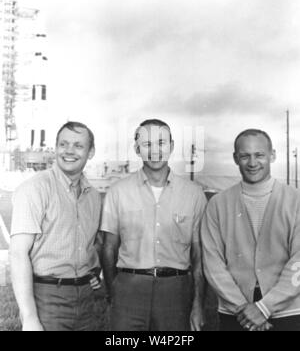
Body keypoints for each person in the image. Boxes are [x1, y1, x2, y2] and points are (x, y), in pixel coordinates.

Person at [101, 119, 207, 331]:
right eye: (147, 144)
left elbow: (199, 255)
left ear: (172, 146)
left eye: (161, 142)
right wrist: (115, 291)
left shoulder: (194, 194)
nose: (155, 150)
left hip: (175, 292)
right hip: (129, 289)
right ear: (137, 149)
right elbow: (108, 248)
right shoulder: (118, 192)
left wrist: (198, 303)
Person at [202, 129, 300, 331]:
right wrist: (242, 307)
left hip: (288, 310)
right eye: (245, 156)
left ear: (272, 155)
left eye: (260, 155)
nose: (253, 163)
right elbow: (213, 262)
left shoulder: (295, 200)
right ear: (235, 158)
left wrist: (264, 307)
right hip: (236, 313)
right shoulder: (218, 204)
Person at [10, 122, 102, 331]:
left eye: (78, 145)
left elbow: (90, 245)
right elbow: (17, 254)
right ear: (56, 148)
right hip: (47, 297)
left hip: (86, 299)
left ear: (91, 152)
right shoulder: (34, 189)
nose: (69, 150)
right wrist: (30, 318)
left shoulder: (94, 197)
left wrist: (93, 272)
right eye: (63, 144)